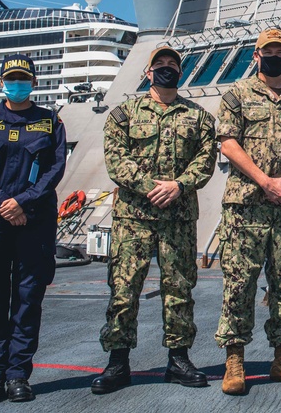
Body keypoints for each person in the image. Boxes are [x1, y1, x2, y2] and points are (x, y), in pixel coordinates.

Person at [91, 46, 216, 394]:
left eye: (172, 65)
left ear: (181, 71)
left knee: (179, 290)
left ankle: (178, 359)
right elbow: (116, 160)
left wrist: (179, 185)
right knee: (123, 290)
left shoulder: (200, 118)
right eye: (159, 65)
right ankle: (118, 363)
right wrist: (151, 188)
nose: (166, 69)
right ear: (148, 72)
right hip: (134, 219)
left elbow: (205, 161)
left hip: (177, 218)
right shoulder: (123, 114)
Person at [215, 28, 281, 395]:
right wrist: (265, 181)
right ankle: (235, 360)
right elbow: (228, 143)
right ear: (256, 55)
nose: (275, 56)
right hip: (247, 204)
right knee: (239, 283)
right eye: (269, 51)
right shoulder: (237, 95)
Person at [0, 54, 67, 404]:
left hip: (33, 220)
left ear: (33, 82)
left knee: (27, 299)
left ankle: (18, 374)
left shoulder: (49, 121)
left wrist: (24, 202)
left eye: (23, 78)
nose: (17, 83)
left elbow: (55, 169)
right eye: (11, 78)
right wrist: (5, 202)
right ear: (2, 81)